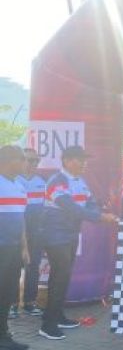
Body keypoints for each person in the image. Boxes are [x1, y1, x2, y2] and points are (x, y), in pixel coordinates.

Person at [39, 146, 118, 340]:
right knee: (59, 278)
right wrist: (100, 217)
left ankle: (57, 316)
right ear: (66, 161)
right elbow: (71, 208)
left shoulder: (80, 181)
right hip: (55, 235)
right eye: (79, 159)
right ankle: (48, 326)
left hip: (70, 234)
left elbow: (89, 203)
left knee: (63, 277)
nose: (84, 163)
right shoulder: (57, 181)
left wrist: (99, 211)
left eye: (84, 159)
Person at [10, 149, 46, 319]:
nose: (33, 164)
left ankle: (30, 303)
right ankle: (12, 304)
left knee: (33, 267)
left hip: (36, 232)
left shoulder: (42, 182)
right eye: (29, 160)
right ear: (21, 160)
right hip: (16, 231)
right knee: (14, 267)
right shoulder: (12, 181)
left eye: (36, 161)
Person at [0, 145, 30, 350]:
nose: (25, 163)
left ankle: (3, 334)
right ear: (9, 161)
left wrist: (24, 247)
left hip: (13, 249)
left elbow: (21, 219)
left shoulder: (20, 185)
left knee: (8, 293)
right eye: (22, 159)